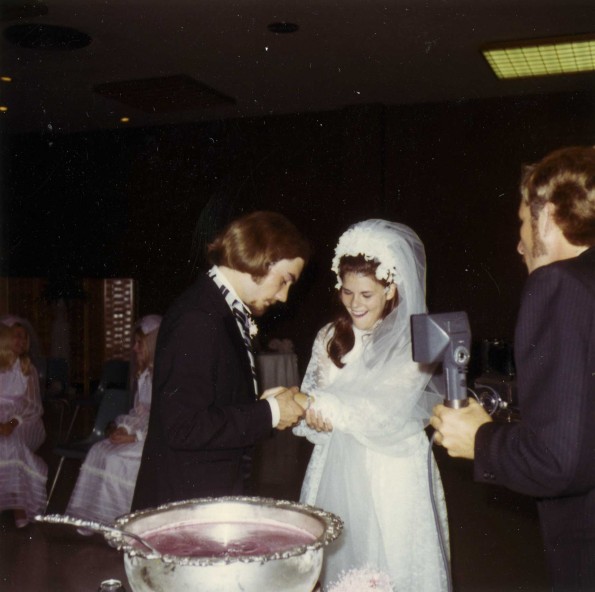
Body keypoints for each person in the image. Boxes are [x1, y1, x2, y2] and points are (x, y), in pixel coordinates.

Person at [430, 146, 595, 591]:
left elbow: (559, 461)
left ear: (546, 217)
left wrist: (480, 440)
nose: (519, 241)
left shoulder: (557, 284)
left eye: (523, 222)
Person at [293, 220, 449, 591]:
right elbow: (309, 404)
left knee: (392, 559)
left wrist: (317, 404)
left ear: (391, 288)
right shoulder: (330, 336)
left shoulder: (412, 342)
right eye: (347, 293)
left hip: (392, 469)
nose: (354, 303)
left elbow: (383, 411)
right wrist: (312, 416)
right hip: (335, 464)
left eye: (366, 294)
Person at [132, 211, 309, 510]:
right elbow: (183, 427)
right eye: (284, 281)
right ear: (257, 258)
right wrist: (269, 413)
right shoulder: (198, 318)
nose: (284, 297)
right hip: (187, 502)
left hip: (210, 490)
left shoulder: (220, 308)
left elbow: (213, 402)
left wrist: (262, 406)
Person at [65, 315, 162, 525]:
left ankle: (122, 521)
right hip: (140, 435)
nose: (135, 349)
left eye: (139, 343)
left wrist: (134, 437)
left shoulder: (164, 377)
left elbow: (163, 419)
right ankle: (96, 517)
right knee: (97, 450)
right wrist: (122, 428)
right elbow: (139, 412)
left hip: (155, 439)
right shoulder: (143, 375)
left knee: (115, 459)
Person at [0, 320, 47, 527]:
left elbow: (32, 406)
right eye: (16, 335)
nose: (21, 340)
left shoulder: (27, 369)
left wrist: (11, 422)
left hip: (23, 419)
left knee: (10, 442)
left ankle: (20, 505)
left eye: (24, 336)